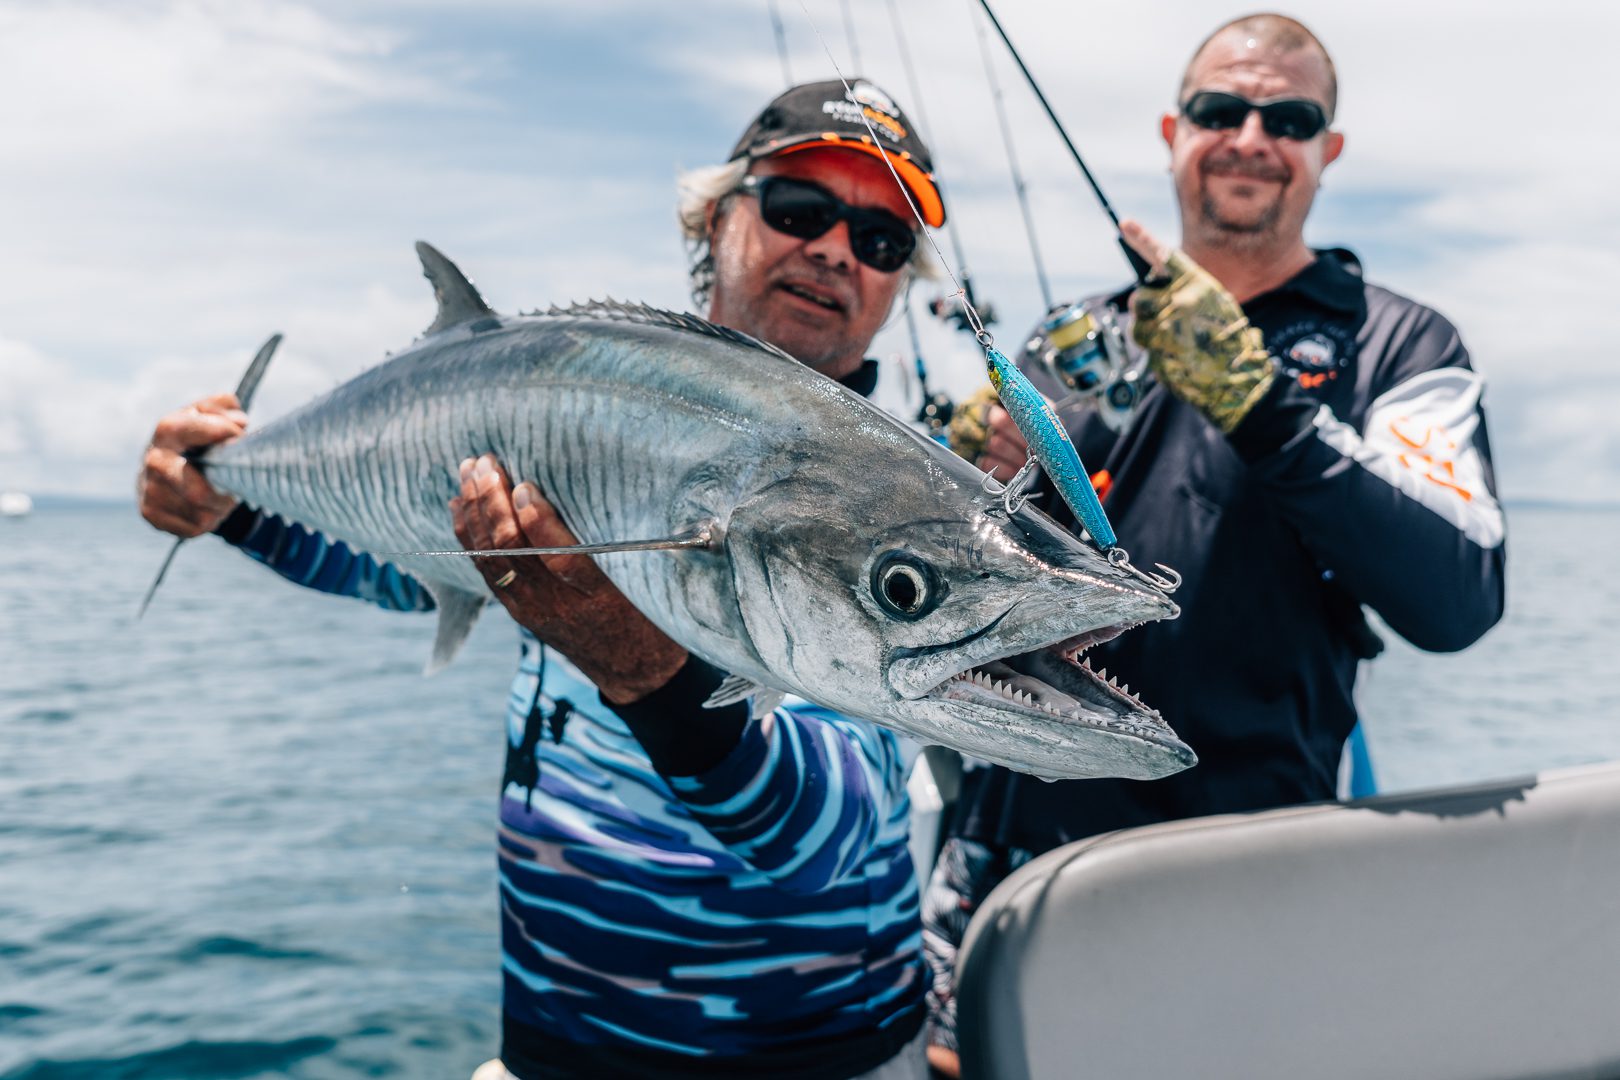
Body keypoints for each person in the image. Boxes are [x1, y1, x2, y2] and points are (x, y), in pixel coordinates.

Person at [137, 79, 948, 1080]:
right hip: (554, 1052)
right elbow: (409, 565)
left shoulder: (908, 521)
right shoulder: (579, 400)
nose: (834, 249)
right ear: (715, 217)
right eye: (799, 210)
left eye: (882, 240)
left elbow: (823, 836)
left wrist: (644, 670)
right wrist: (225, 505)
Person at [925, 14, 1507, 1075]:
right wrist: (949, 467)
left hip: (1244, 872)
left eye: (1289, 119)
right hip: (1006, 866)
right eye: (1219, 110)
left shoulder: (1401, 344)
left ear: (1329, 151)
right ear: (1172, 130)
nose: (1250, 135)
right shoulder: (1068, 338)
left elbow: (1458, 594)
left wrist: (1263, 403)